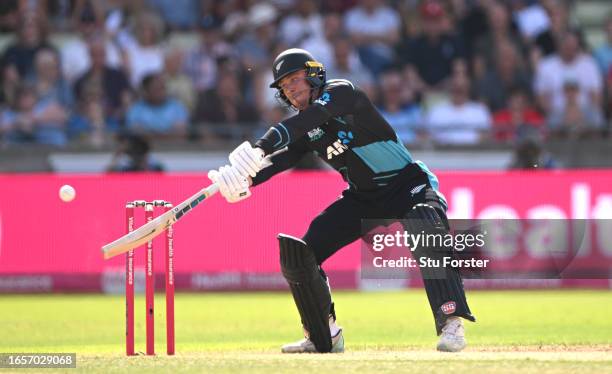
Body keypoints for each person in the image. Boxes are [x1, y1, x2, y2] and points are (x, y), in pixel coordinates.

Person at [207, 48, 476, 353]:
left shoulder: (342, 93)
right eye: (284, 86)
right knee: (301, 254)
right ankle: (324, 336)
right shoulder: (306, 127)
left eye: (295, 79)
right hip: (363, 198)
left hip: (407, 184)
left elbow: (306, 122)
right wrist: (245, 179)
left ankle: (451, 323)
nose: (291, 88)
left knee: (424, 224)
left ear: (313, 75)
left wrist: (260, 146)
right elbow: (284, 158)